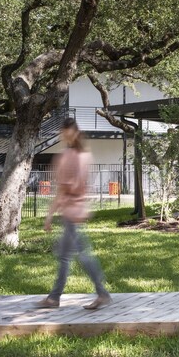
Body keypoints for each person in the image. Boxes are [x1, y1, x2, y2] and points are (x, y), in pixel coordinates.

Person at [36, 118, 113, 309]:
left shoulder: (67, 156)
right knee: (65, 256)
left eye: (64, 134)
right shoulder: (85, 155)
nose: (63, 137)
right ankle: (54, 297)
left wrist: (49, 215)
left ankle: (102, 293)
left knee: (82, 255)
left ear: (68, 134)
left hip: (71, 212)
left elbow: (62, 189)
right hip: (78, 210)